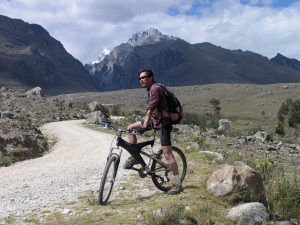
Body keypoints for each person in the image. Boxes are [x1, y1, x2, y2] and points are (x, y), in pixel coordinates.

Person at [123, 68, 183, 195]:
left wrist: (144, 126)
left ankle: (178, 184)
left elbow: (150, 110)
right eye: (139, 78)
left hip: (163, 123)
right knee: (130, 128)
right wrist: (144, 124)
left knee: (168, 155)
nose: (141, 80)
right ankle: (135, 155)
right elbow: (151, 112)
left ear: (151, 77)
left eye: (143, 77)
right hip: (155, 120)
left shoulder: (155, 89)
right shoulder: (150, 89)